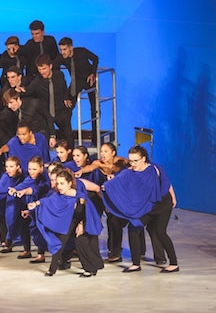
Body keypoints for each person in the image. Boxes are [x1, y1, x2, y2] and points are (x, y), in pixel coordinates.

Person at [103, 145, 179, 273]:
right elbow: (117, 180)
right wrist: (106, 186)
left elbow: (166, 183)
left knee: (160, 232)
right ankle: (136, 264)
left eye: (135, 161)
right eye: (130, 161)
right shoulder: (129, 172)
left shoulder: (155, 169)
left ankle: (174, 263)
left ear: (143, 159)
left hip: (162, 204)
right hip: (146, 206)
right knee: (133, 228)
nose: (132, 164)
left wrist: (173, 197)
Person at [29, 169, 103, 277]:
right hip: (70, 220)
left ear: (69, 184)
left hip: (85, 221)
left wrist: (82, 225)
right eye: (58, 183)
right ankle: (52, 269)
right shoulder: (58, 195)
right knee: (60, 241)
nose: (59, 186)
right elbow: (47, 200)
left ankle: (91, 269)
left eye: (62, 183)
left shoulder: (81, 197)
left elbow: (88, 213)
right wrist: (35, 204)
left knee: (80, 240)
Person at [19, 54, 73, 144]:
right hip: (46, 115)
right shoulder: (37, 81)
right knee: (46, 140)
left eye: (44, 69)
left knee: (68, 136)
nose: (42, 72)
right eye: (39, 69)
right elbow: (27, 91)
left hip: (60, 112)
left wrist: (66, 98)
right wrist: (20, 90)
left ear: (50, 66)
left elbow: (64, 87)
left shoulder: (59, 75)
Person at [56, 37, 100, 144]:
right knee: (67, 107)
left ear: (71, 47)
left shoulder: (81, 51)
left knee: (95, 109)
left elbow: (95, 58)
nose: (63, 52)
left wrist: (93, 73)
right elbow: (53, 66)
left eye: (65, 49)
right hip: (76, 83)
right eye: (61, 50)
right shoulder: (61, 58)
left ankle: (95, 139)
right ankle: (67, 138)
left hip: (89, 80)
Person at [10, 156, 52, 262]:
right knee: (24, 224)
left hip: (44, 206)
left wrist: (25, 191)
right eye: (29, 169)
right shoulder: (30, 178)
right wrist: (15, 190)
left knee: (40, 228)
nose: (31, 172)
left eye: (34, 169)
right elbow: (23, 185)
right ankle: (27, 249)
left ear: (41, 168)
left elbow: (38, 189)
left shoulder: (46, 178)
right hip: (31, 206)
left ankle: (41, 253)